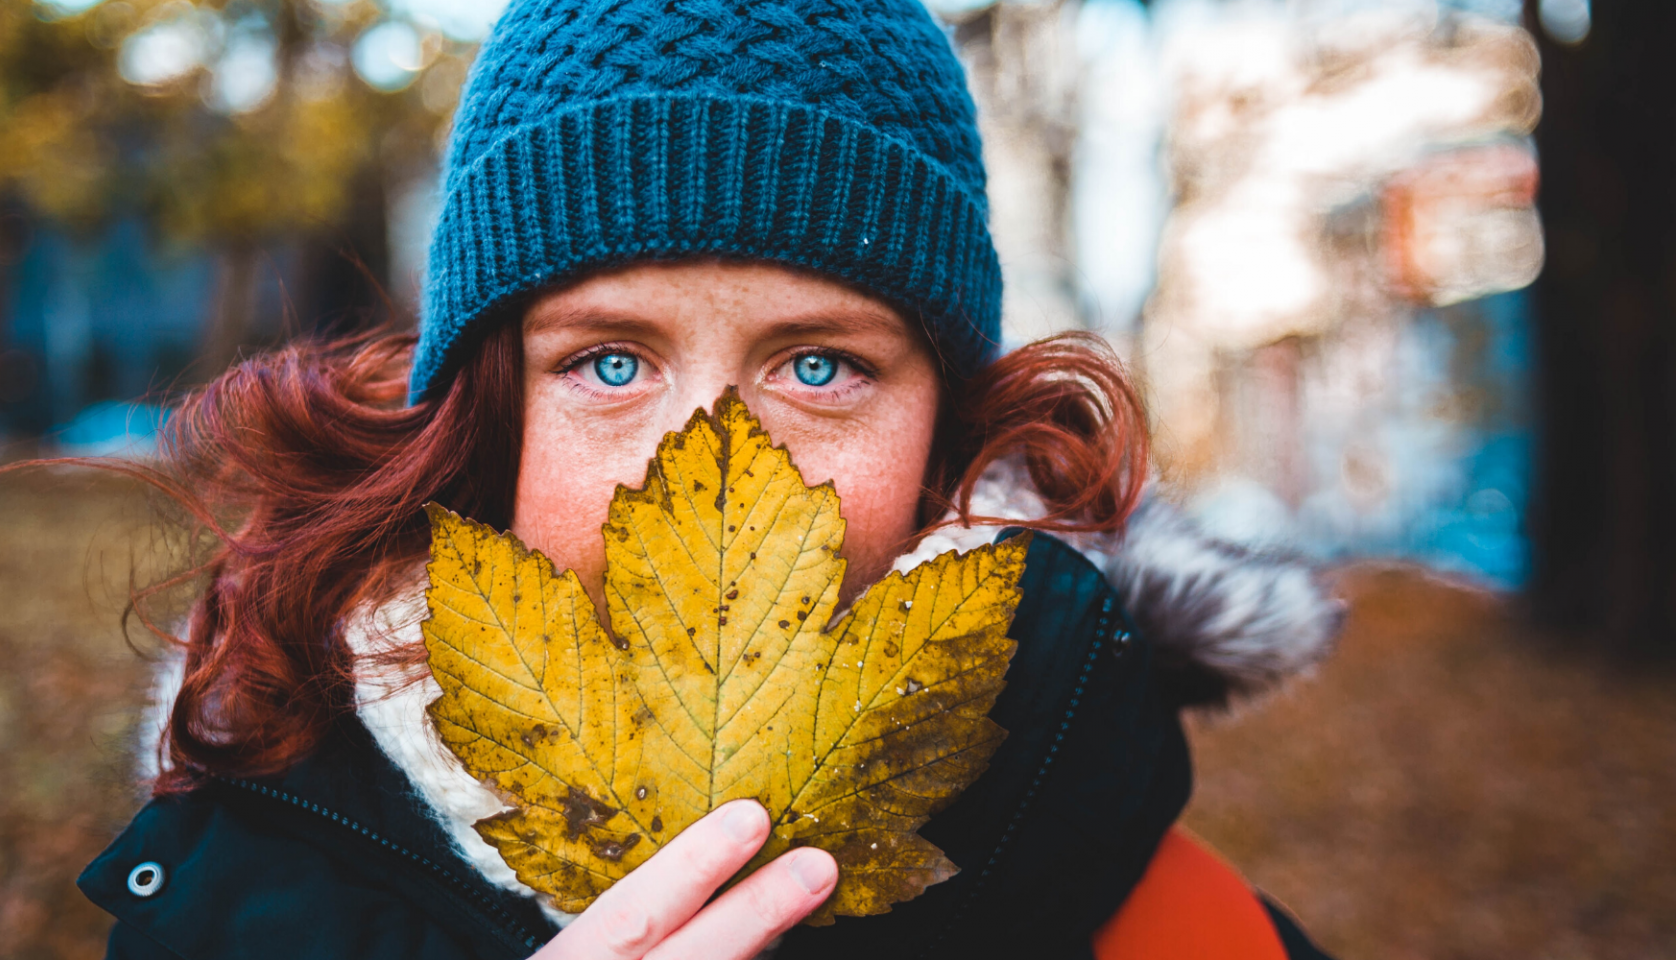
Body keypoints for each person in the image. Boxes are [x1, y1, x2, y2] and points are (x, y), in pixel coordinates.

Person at [77, 2, 1343, 957]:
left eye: (823, 366)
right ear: (488, 418)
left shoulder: (1181, 929)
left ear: (946, 443)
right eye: (611, 362)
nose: (711, 467)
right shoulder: (242, 890)